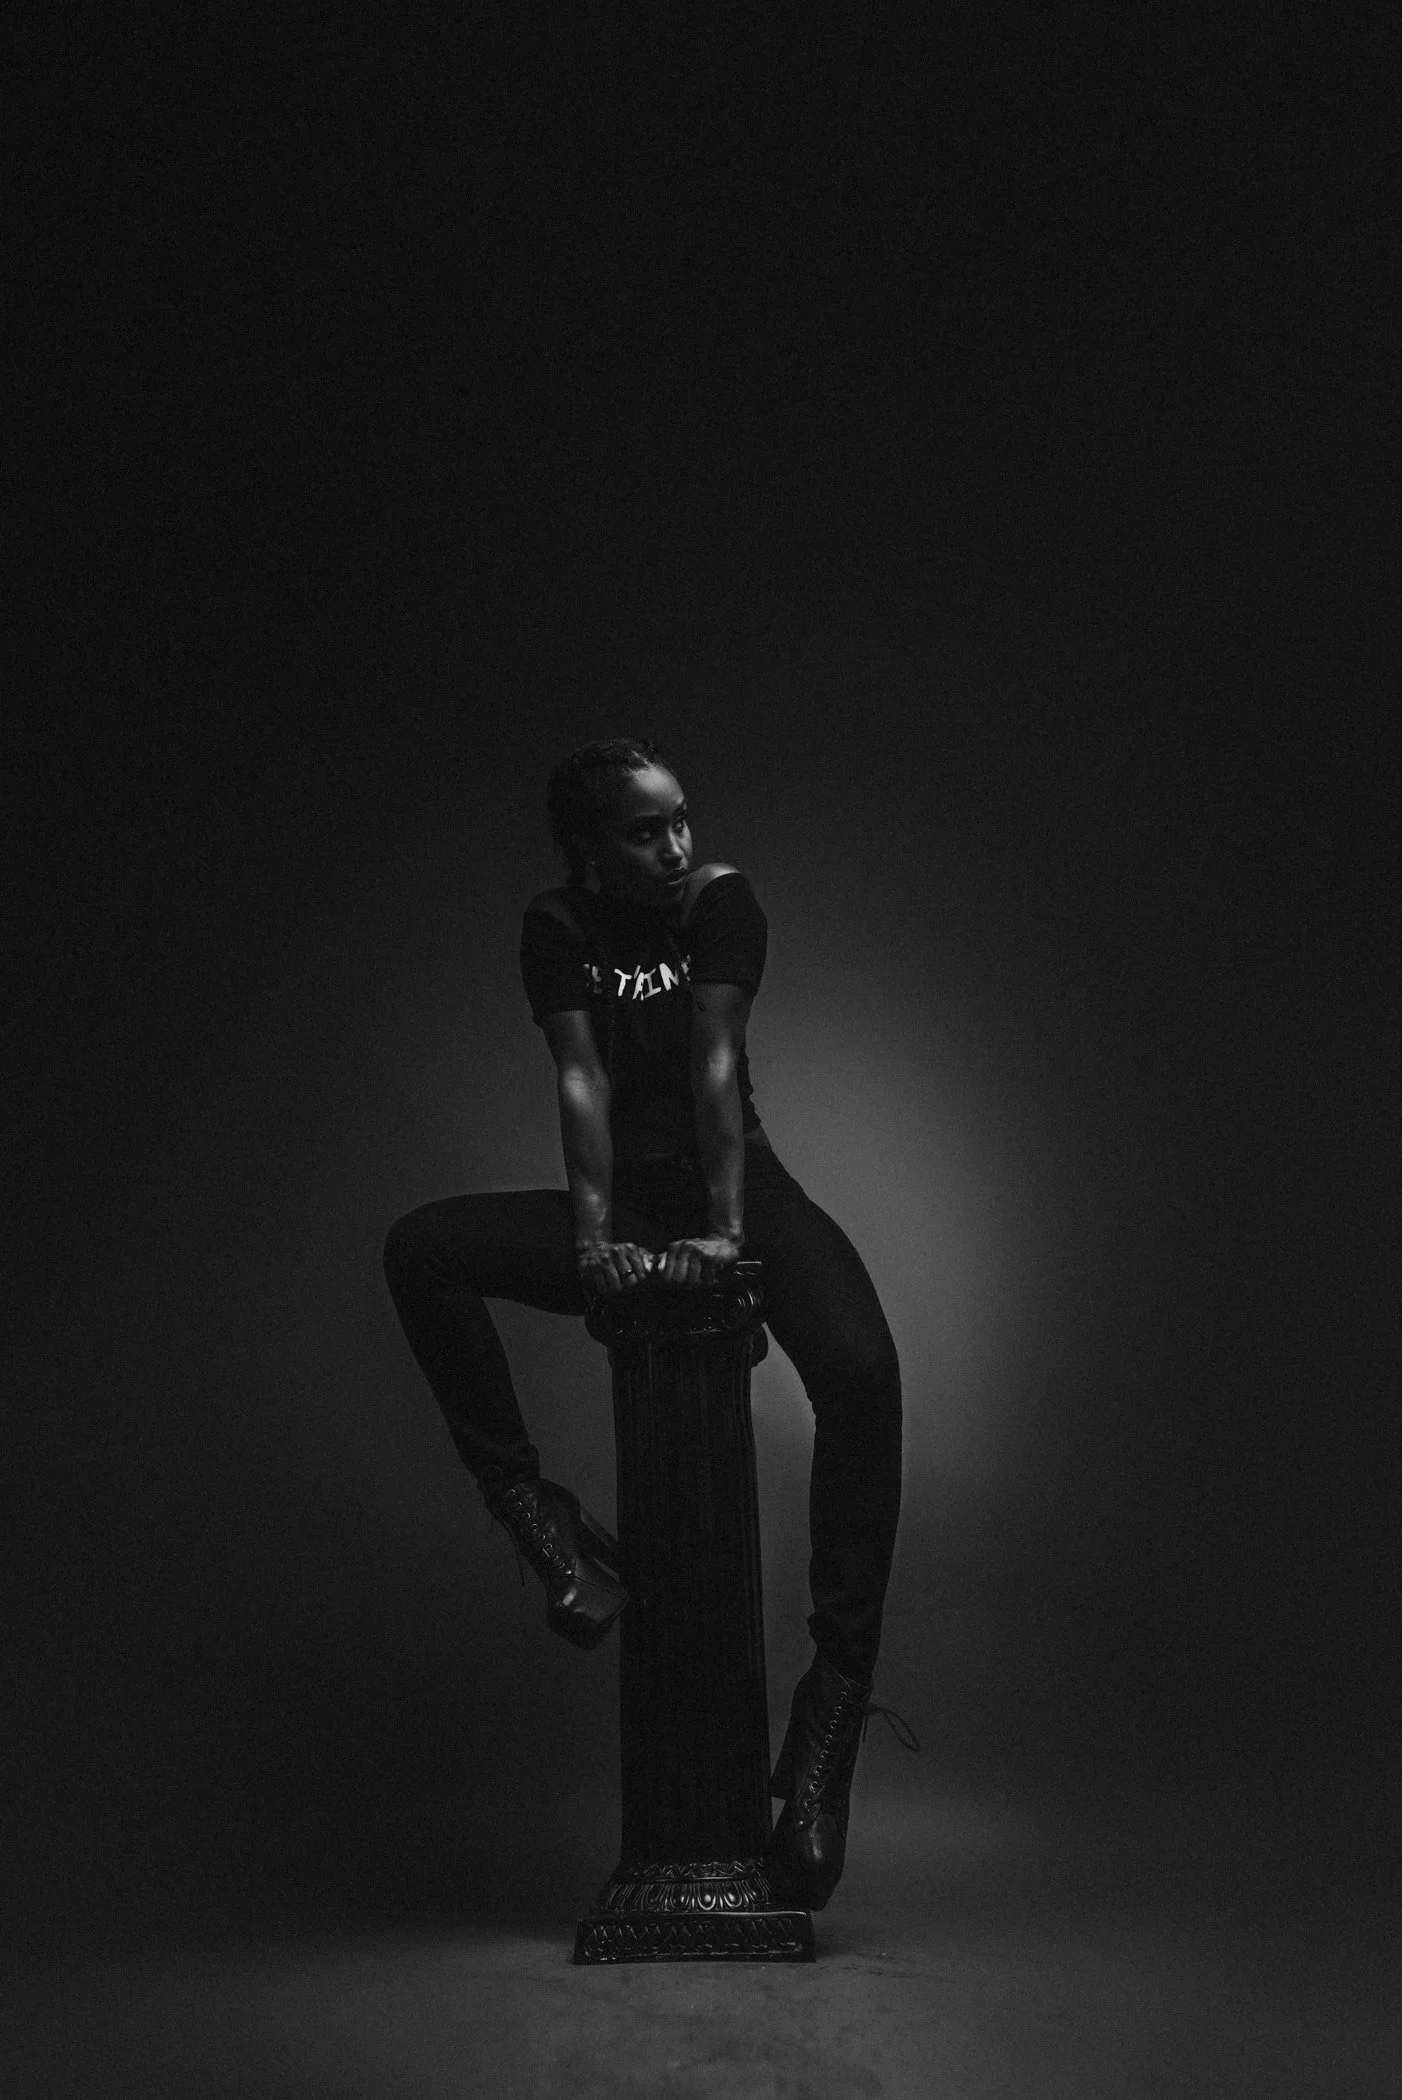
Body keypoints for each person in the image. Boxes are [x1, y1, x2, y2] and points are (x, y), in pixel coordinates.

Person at [383, 735, 913, 1909]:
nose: (675, 846)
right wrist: (592, 1245)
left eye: (681, 819)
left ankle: (824, 1742)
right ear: (587, 849)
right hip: (626, 1202)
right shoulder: (557, 928)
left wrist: (726, 1236)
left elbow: (716, 1059)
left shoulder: (720, 903)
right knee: (422, 1249)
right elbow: (579, 1080)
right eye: (643, 830)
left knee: (864, 1371)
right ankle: (543, 1519)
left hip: (744, 1191)